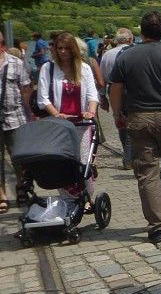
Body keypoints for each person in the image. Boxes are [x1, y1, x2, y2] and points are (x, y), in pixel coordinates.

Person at [109, 11, 161, 244]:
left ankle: (157, 226)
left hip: (139, 117)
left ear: (141, 31)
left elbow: (115, 90)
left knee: (147, 173)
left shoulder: (126, 57)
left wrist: (117, 114)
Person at [37, 31, 100, 200]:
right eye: (60, 48)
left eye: (66, 48)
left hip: (81, 124)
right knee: (62, 163)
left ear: (73, 50)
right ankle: (68, 198)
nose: (63, 51)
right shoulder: (48, 69)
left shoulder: (84, 68)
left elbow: (92, 95)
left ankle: (86, 196)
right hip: (59, 125)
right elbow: (43, 98)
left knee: (83, 163)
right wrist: (56, 114)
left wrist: (90, 112)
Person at [0, 33, 33, 211]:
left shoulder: (15, 63)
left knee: (19, 157)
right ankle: (2, 195)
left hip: (15, 116)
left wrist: (32, 114)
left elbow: (25, 90)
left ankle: (22, 188)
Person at [99, 28, 135, 170]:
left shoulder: (107, 55)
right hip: (130, 89)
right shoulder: (133, 52)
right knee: (130, 121)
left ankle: (128, 154)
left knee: (119, 120)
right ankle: (128, 158)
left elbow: (102, 78)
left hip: (112, 88)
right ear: (130, 39)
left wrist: (103, 98)